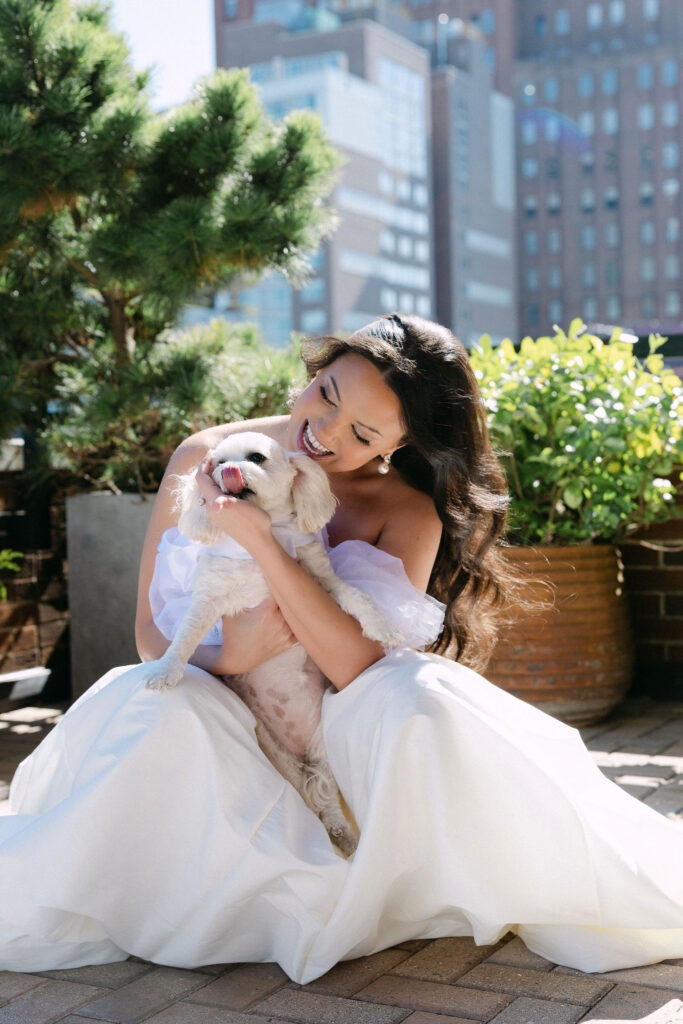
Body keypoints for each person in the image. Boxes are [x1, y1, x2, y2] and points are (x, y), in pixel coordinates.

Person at [1, 313, 683, 982]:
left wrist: (264, 547)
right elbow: (150, 636)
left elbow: (354, 665)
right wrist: (231, 658)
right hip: (221, 706)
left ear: (397, 445)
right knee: (147, 701)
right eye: (326, 395)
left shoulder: (406, 509)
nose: (322, 433)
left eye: (361, 433)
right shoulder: (207, 455)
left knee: (421, 694)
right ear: (315, 370)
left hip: (342, 725)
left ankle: (384, 854)